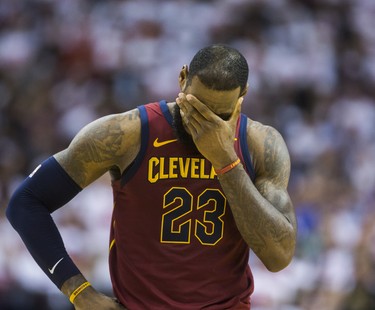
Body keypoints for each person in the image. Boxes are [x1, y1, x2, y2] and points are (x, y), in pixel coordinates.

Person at [6, 44, 297, 310]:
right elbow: (26, 202)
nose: (203, 123)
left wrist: (226, 162)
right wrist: (80, 292)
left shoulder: (260, 145)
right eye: (195, 108)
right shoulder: (126, 134)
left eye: (218, 116)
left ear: (242, 96)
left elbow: (279, 256)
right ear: (182, 79)